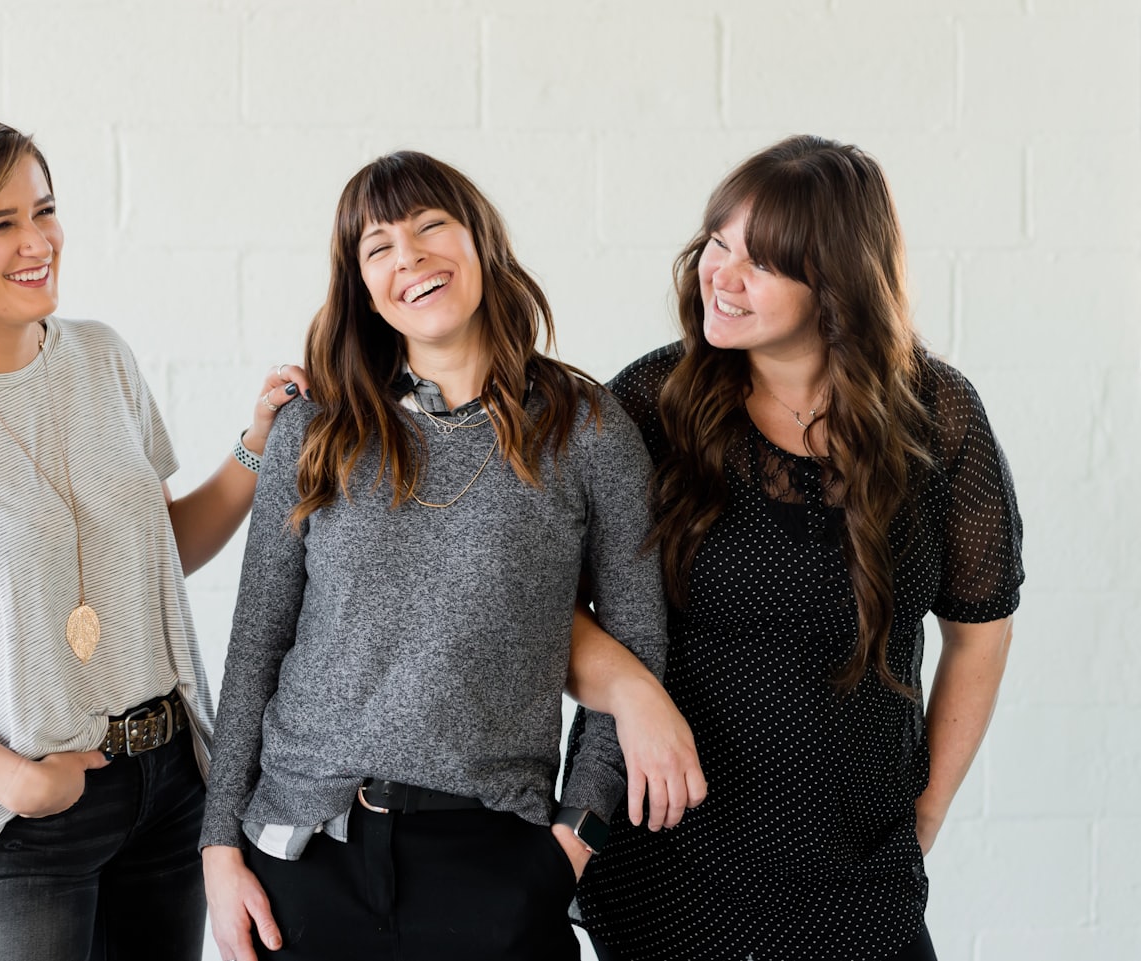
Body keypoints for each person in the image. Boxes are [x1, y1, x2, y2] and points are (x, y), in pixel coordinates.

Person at [0, 111, 309, 961]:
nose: (38, 241)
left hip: (169, 785)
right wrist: (18, 781)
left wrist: (256, 445)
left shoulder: (102, 358)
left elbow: (159, 556)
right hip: (21, 820)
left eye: (43, 210)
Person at [198, 150, 704, 961]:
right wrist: (220, 847)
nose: (410, 257)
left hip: (496, 864)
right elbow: (258, 640)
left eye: (431, 226)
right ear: (363, 287)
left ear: (480, 241)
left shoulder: (587, 428)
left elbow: (637, 645)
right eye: (379, 247)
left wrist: (570, 845)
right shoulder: (315, 430)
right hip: (301, 858)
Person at [565, 134, 1024, 961]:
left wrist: (926, 810)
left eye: (763, 262)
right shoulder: (649, 405)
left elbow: (980, 632)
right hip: (671, 864)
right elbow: (538, 604)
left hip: (859, 867)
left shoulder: (939, 415)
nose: (721, 275)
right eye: (718, 243)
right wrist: (633, 694)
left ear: (839, 283)